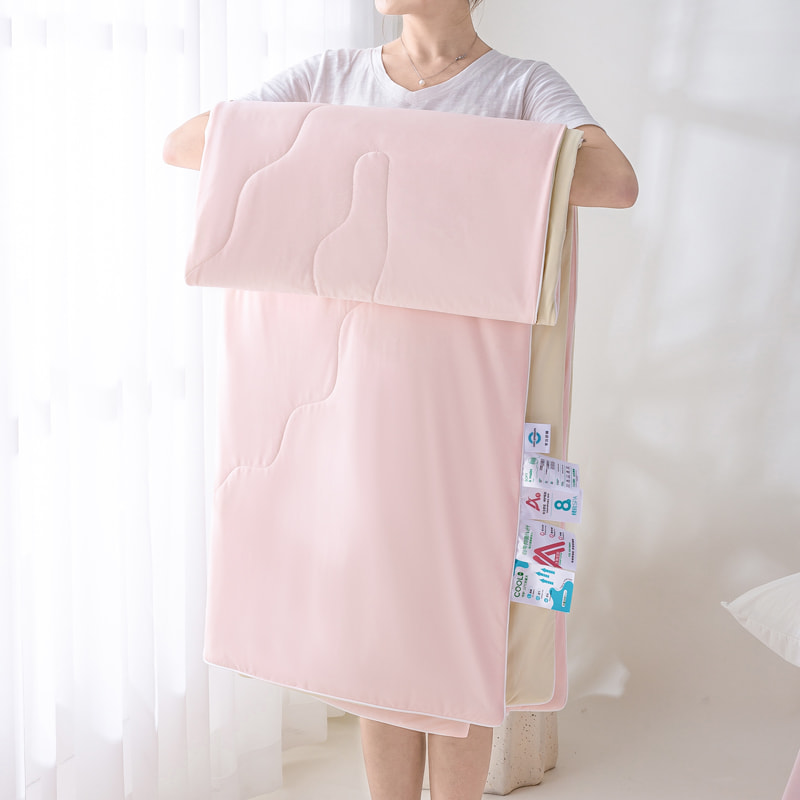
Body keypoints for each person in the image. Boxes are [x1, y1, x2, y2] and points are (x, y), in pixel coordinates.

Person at [164, 1, 637, 798]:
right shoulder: (331, 75)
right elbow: (187, 145)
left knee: (467, 618)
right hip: (361, 402)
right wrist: (391, 151)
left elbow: (612, 182)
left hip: (475, 407)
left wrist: (410, 157)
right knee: (380, 625)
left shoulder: (522, 86)